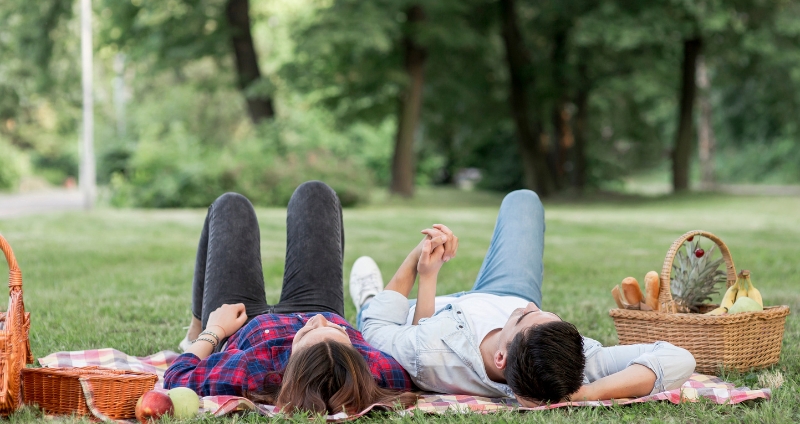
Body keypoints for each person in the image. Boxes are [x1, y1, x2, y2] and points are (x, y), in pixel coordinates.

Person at [351, 189, 696, 406]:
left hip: (438, 317)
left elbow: (380, 327)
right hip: (504, 290)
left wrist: (420, 264)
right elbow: (679, 359)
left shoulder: (431, 353)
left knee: (375, 309)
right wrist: (586, 393)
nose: (532, 306)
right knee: (524, 200)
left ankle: (367, 295)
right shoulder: (574, 362)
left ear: (501, 357)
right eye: (548, 314)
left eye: (523, 318)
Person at [164, 181, 417, 415]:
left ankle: (194, 332)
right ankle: (366, 302)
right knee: (316, 193)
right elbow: (416, 363)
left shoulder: (251, 371)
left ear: (291, 367)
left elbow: (177, 376)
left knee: (230, 206)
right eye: (339, 332)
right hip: (316, 302)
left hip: (241, 323)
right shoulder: (377, 370)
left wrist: (213, 330)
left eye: (308, 333)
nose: (319, 320)